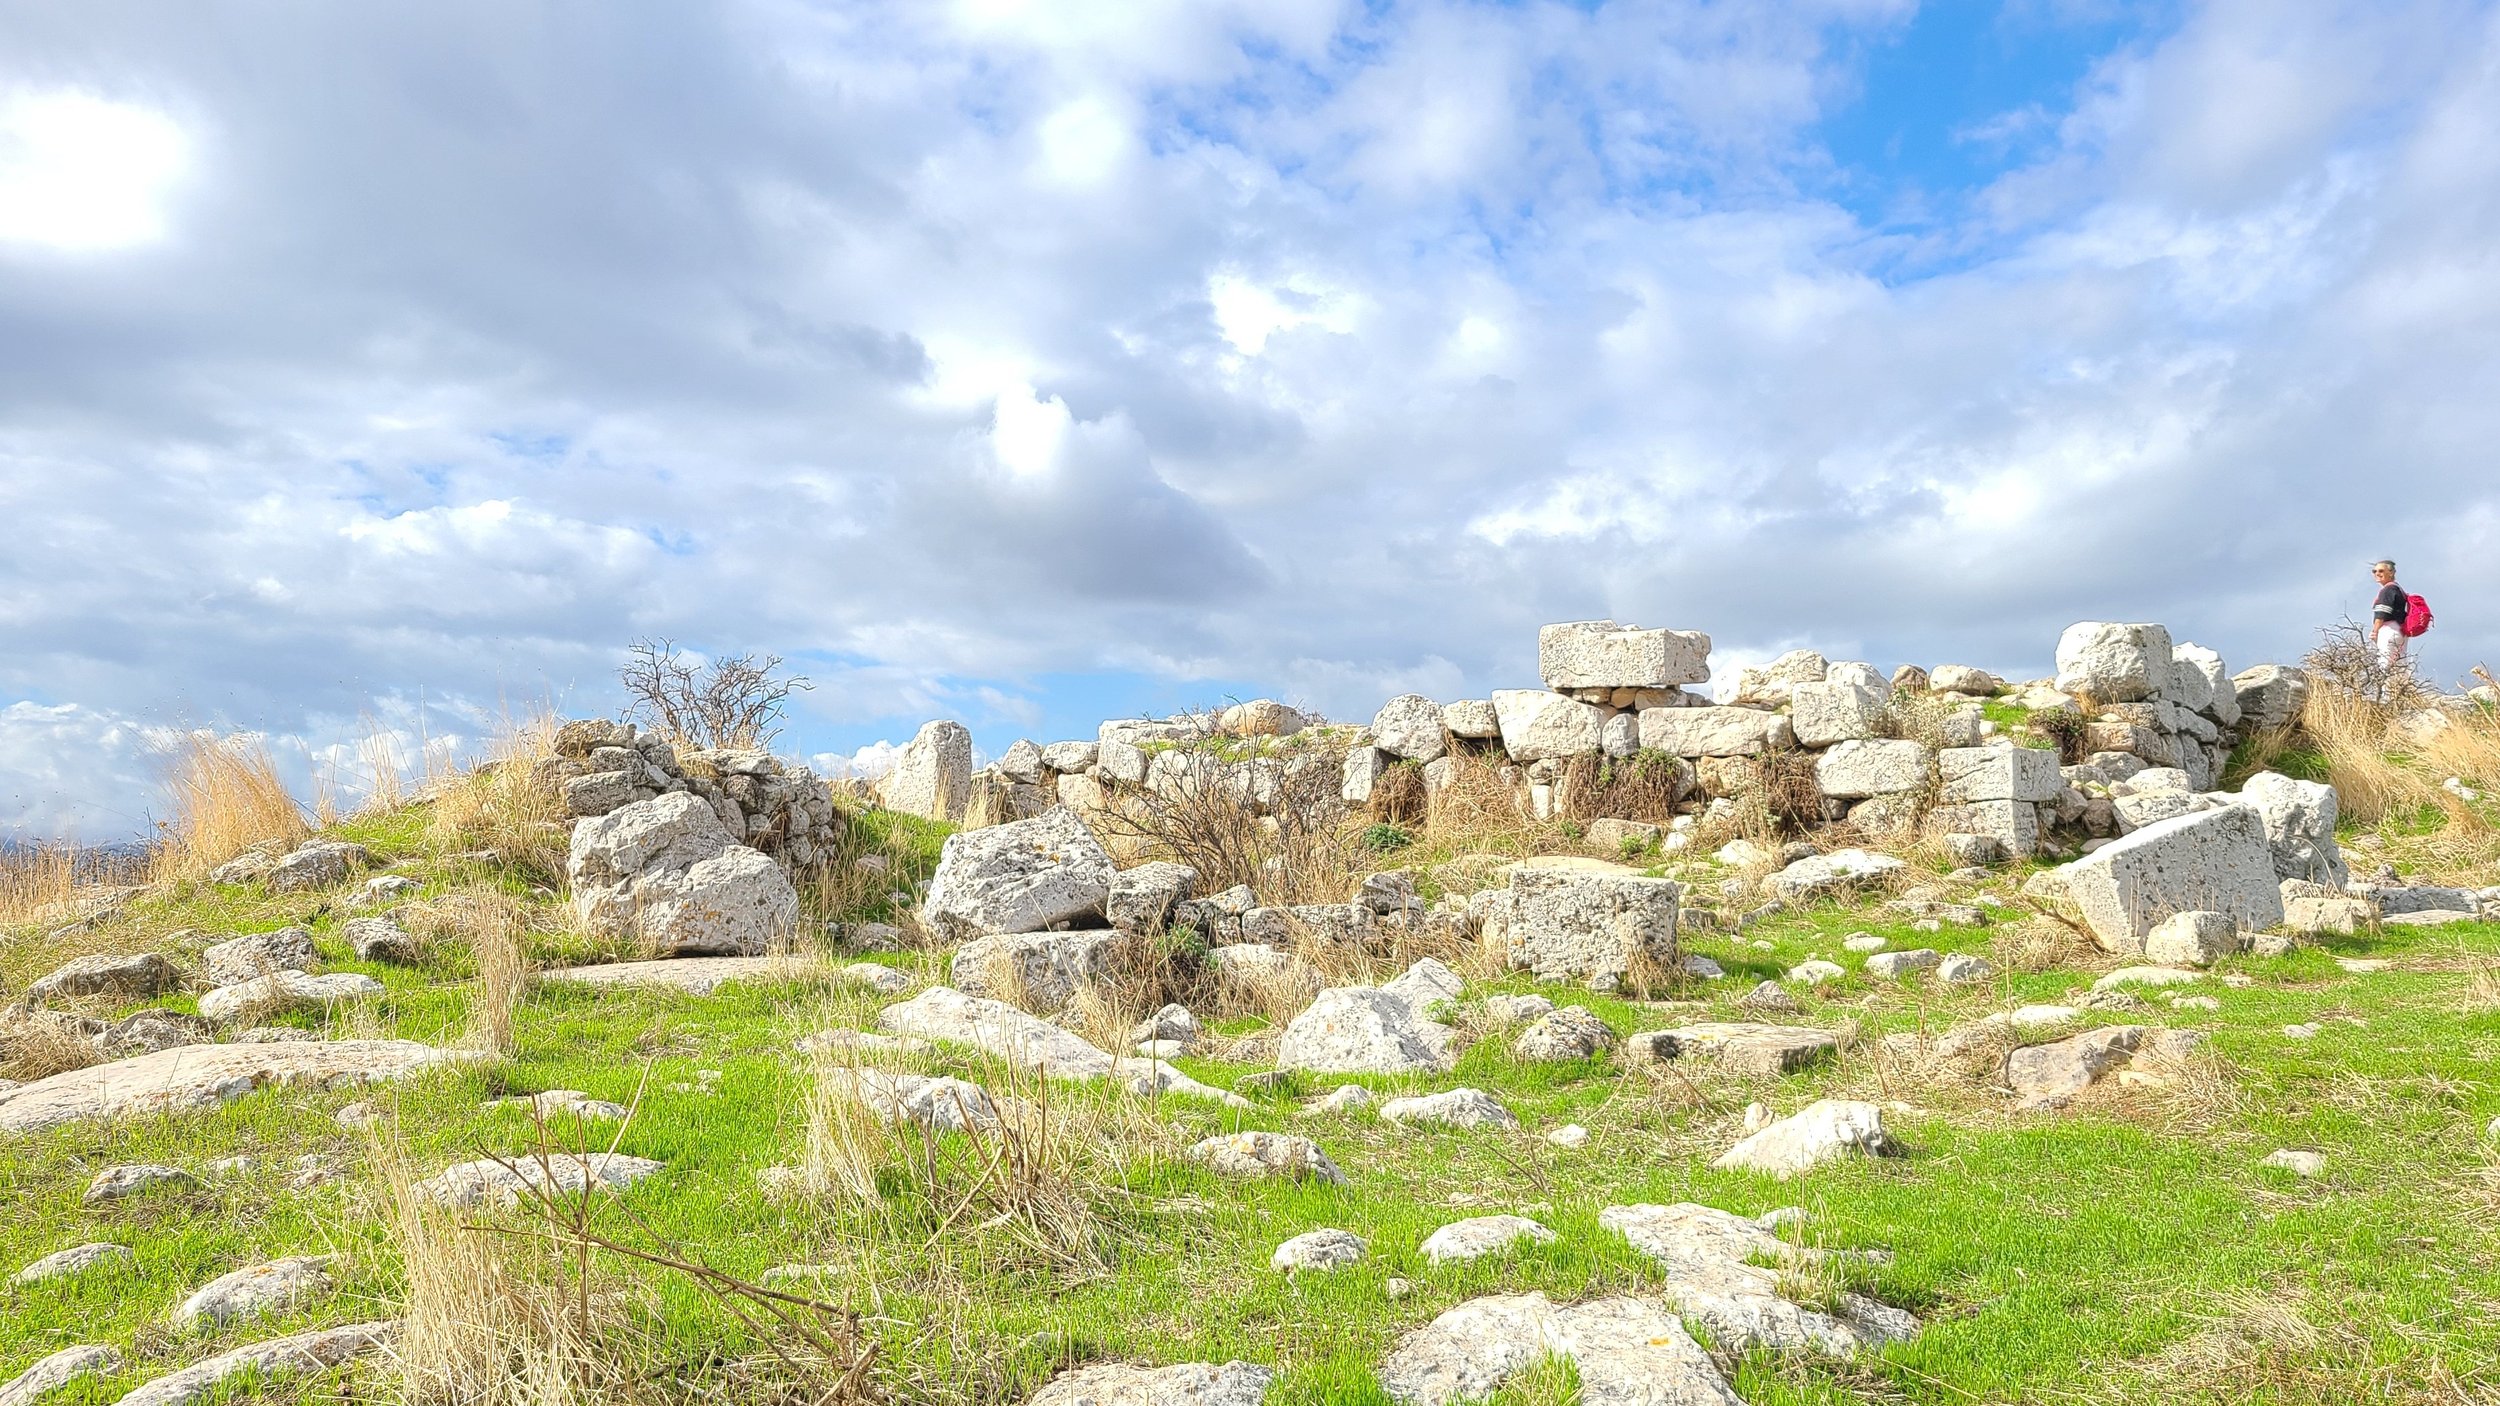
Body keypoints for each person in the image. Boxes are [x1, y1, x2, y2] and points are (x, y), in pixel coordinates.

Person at [2370, 559, 2408, 672]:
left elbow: (2381, 614)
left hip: (2389, 630)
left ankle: (2387, 690)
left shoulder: (2388, 590)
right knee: (2399, 666)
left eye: (2381, 571)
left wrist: (2375, 632)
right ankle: (2399, 688)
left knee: (2385, 665)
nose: (2377, 573)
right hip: (2400, 630)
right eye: (2374, 571)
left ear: (2391, 573)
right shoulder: (2398, 589)